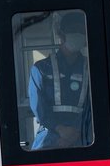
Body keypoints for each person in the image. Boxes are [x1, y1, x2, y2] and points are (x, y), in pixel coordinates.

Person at [28, 12, 92, 150]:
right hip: (49, 135)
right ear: (61, 35)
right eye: (73, 30)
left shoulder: (91, 69)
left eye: (81, 31)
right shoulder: (40, 69)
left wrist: (75, 133)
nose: (78, 34)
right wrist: (61, 130)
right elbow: (39, 108)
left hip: (82, 135)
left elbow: (94, 108)